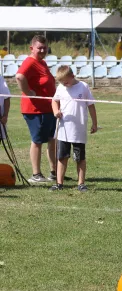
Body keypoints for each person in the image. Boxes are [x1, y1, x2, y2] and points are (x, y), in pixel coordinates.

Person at [16, 35, 57, 183]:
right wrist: (28, 92)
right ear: (31, 48)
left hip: (48, 109)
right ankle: (36, 174)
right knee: (37, 140)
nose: (42, 50)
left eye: (45, 48)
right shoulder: (30, 62)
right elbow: (20, 77)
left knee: (52, 139)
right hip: (35, 110)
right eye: (39, 48)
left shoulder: (42, 62)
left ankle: (54, 172)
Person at [49, 66, 98, 192]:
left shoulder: (83, 86)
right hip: (64, 129)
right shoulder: (61, 88)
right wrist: (56, 112)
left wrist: (94, 123)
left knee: (80, 157)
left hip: (79, 130)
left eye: (66, 81)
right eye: (61, 82)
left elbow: (91, 105)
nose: (64, 84)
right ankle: (59, 183)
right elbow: (54, 101)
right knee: (62, 157)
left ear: (72, 75)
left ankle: (81, 183)